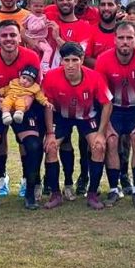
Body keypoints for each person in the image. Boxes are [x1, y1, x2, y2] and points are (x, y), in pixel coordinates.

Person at [0, 21, 45, 210]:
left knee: (33, 144)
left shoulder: (31, 57)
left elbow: (36, 87)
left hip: (22, 107)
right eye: (4, 35)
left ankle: (30, 193)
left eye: (13, 35)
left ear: (20, 37)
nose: (9, 39)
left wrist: (27, 102)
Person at [41, 42, 113, 210]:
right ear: (61, 61)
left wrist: (101, 133)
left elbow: (107, 104)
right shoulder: (51, 76)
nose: (71, 65)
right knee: (50, 147)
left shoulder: (94, 77)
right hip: (62, 116)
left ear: (82, 59)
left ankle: (93, 194)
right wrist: (50, 133)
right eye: (67, 60)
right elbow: (47, 105)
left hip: (87, 117)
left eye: (75, 60)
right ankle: (55, 194)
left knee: (99, 146)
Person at [94, 22, 135, 208]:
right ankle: (114, 189)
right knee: (111, 141)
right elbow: (103, 95)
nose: (125, 42)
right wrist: (107, 125)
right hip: (114, 109)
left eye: (129, 38)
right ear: (115, 40)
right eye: (121, 38)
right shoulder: (103, 60)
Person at [45, 0, 94, 197]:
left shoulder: (84, 26)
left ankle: (83, 179)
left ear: (75, 1)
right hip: (53, 87)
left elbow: (76, 53)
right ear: (55, 1)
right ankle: (61, 182)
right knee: (58, 140)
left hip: (80, 88)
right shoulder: (47, 19)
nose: (65, 2)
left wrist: (57, 37)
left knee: (85, 141)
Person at [85, 0, 122, 67]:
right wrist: (109, 67)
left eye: (110, 5)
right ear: (98, 7)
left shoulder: (125, 32)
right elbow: (86, 58)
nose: (106, 8)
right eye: (103, 4)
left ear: (118, 8)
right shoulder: (89, 31)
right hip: (97, 77)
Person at [23, 0, 53, 72]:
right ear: (29, 7)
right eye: (36, 6)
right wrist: (43, 24)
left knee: (38, 54)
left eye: (41, 6)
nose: (39, 8)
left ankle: (39, 66)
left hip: (41, 39)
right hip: (34, 38)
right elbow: (32, 28)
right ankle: (44, 65)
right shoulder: (31, 17)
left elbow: (44, 23)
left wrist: (48, 23)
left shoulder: (42, 16)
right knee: (48, 50)